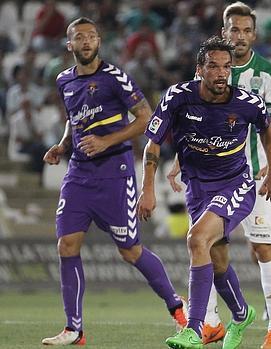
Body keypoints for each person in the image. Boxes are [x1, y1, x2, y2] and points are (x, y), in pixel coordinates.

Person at [41, 17, 187, 346]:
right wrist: (63, 145)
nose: (87, 41)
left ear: (99, 42)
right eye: (80, 37)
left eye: (92, 36)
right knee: (66, 245)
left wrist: (107, 141)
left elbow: (146, 118)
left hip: (114, 172)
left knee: (131, 251)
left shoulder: (115, 78)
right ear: (70, 45)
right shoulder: (64, 80)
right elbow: (73, 120)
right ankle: (74, 329)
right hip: (78, 173)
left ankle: (178, 309)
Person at [137, 36, 271, 349]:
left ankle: (195, 327)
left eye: (226, 67)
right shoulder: (177, 97)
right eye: (213, 66)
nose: (221, 73)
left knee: (196, 239)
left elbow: (268, 131)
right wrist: (148, 189)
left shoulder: (247, 103)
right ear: (199, 69)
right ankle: (241, 314)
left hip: (235, 183)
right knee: (217, 263)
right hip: (197, 187)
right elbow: (153, 143)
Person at [167, 3, 271, 348]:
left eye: (246, 30)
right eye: (234, 30)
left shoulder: (269, 74)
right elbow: (192, 120)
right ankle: (212, 322)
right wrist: (179, 160)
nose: (240, 36)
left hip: (255, 174)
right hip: (208, 175)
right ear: (224, 32)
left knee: (265, 247)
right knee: (208, 245)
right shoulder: (210, 69)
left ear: (255, 34)